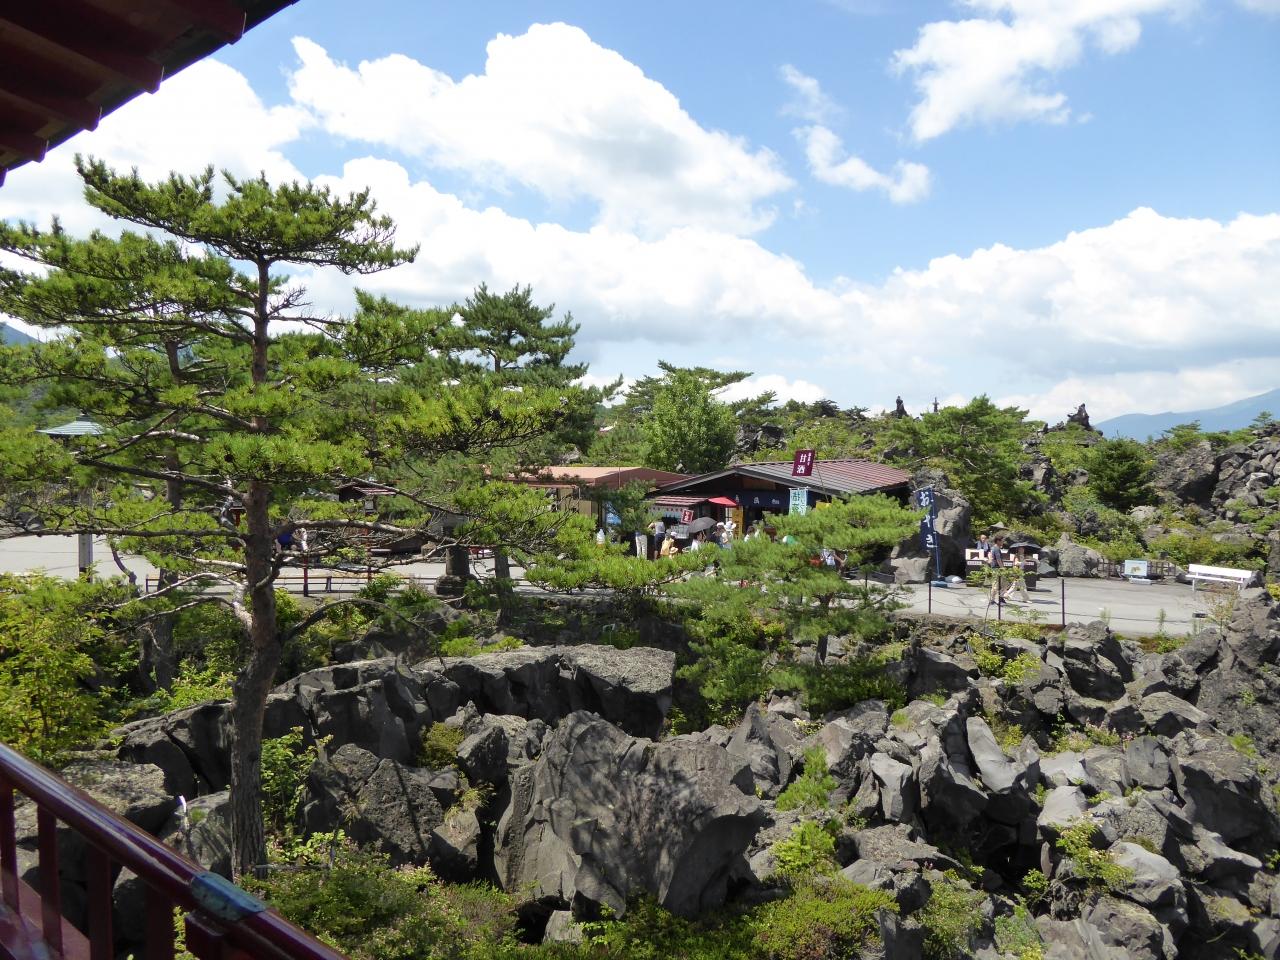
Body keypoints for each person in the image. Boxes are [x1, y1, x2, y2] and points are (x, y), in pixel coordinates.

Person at [987, 534, 1007, 603]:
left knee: (1003, 584)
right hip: (997, 569)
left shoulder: (994, 548)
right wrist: (1003, 568)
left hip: (996, 568)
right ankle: (992, 599)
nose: (1003, 542)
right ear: (998, 541)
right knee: (996, 585)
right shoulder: (996, 549)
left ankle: (1001, 598)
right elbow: (998, 560)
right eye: (1002, 541)